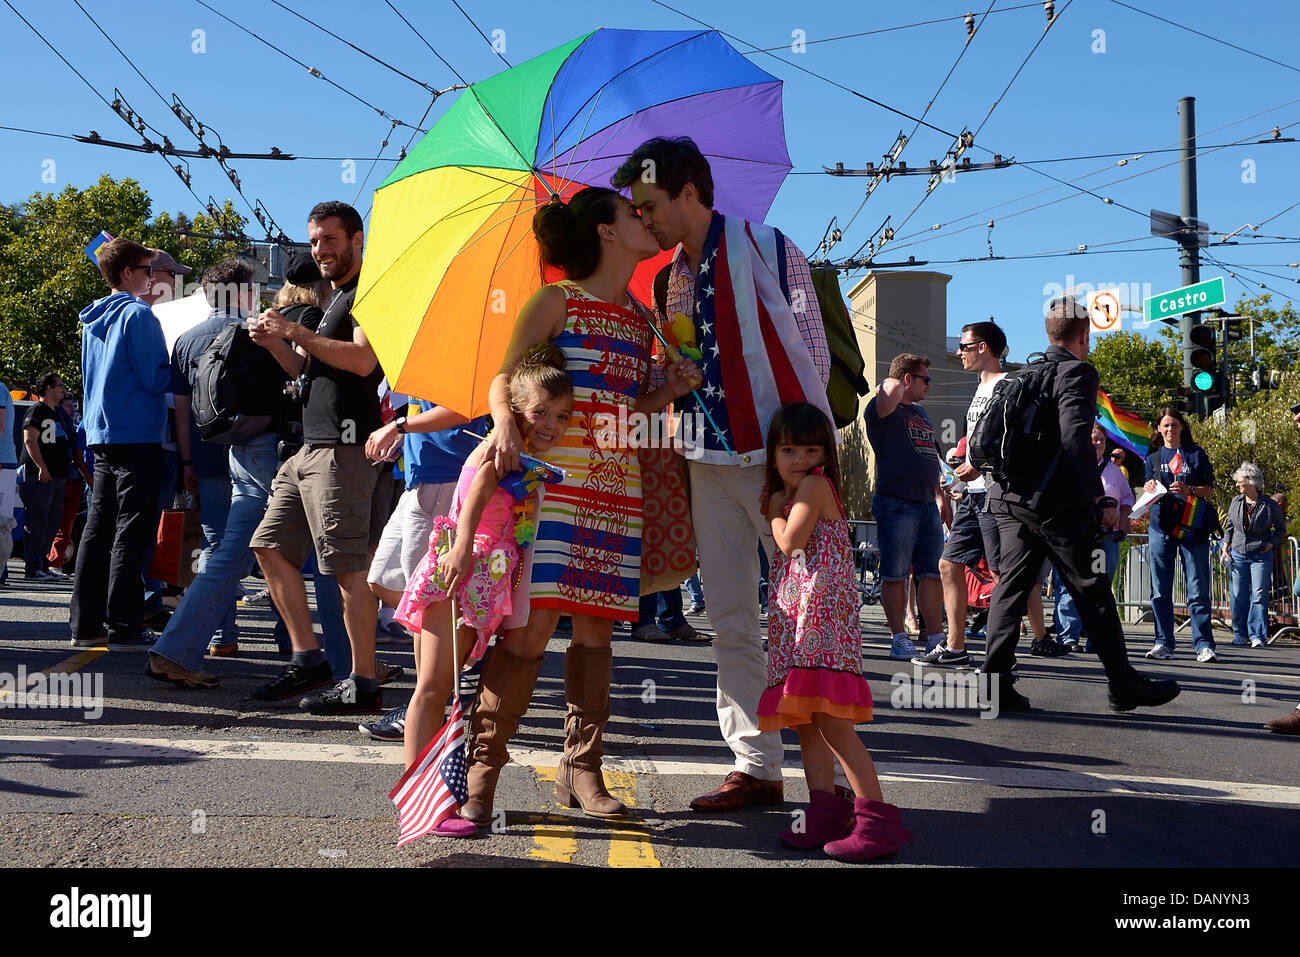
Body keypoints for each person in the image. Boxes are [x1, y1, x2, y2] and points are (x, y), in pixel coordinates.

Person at [615, 137, 834, 812]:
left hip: (776, 465)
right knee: (734, 619)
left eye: (649, 204)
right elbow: (668, 371)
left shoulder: (770, 246)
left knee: (805, 616)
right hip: (705, 462)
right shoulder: (660, 279)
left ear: (688, 192)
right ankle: (756, 765)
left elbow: (813, 352)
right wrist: (662, 379)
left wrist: (798, 458)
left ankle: (832, 774)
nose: (644, 218)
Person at [474, 185, 698, 823]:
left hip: (616, 490)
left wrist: (670, 391)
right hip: (553, 486)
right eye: (633, 214)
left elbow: (628, 413)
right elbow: (505, 374)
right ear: (605, 230)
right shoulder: (555, 300)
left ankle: (582, 770)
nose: (646, 221)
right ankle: (483, 770)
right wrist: (504, 425)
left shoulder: (638, 316)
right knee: (532, 630)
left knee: (597, 633)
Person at [395, 348, 573, 835]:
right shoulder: (503, 442)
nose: (552, 425)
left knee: (443, 688)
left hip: (480, 576)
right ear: (515, 409)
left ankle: (436, 800)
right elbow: (475, 494)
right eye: (540, 413)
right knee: (432, 690)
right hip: (462, 570)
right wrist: (463, 548)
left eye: (562, 416)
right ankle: (421, 801)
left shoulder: (522, 452)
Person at [982, 296, 1179, 713]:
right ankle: (1123, 684)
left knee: (1011, 588)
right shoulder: (1077, 372)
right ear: (1084, 335)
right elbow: (1075, 437)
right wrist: (1099, 496)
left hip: (1009, 498)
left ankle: (994, 686)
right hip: (1056, 506)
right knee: (1094, 588)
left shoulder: (1026, 371)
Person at [247, 201, 386, 714]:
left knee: (347, 569)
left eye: (330, 239)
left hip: (346, 449)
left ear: (356, 239)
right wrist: (275, 343)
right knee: (268, 547)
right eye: (313, 241)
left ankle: (364, 683)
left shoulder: (369, 291)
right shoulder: (332, 298)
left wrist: (297, 333)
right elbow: (303, 372)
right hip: (310, 444)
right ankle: (309, 661)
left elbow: (364, 359)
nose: (320, 250)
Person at [758, 402, 910, 862]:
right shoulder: (801, 488)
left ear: (825, 454)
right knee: (807, 723)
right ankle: (824, 812)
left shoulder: (813, 484)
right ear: (774, 454)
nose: (800, 457)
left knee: (833, 726)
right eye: (788, 449)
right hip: (802, 621)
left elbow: (790, 541)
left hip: (821, 624)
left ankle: (876, 822)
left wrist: (773, 513)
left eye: (810, 448)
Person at [146, 261, 287, 688]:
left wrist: (188, 463)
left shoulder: (186, 342)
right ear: (241, 293)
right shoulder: (257, 335)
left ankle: (222, 637)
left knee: (216, 546)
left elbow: (184, 412)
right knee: (274, 547)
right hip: (253, 450)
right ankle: (293, 640)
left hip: (206, 457)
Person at [360, 399, 486, 742]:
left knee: (424, 603)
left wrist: (399, 426)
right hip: (420, 481)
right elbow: (427, 409)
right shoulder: (430, 356)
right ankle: (462, 669)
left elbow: (464, 408)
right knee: (381, 579)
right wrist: (405, 436)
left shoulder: (459, 350)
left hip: (444, 480)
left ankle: (427, 705)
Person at [70, 239, 170, 649]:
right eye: (147, 271)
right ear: (127, 273)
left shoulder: (94, 319)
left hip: (102, 433)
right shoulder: (138, 315)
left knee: (98, 529)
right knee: (133, 530)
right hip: (138, 432)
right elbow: (154, 378)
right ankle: (125, 622)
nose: (151, 278)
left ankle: (85, 623)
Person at [926, 322, 1007, 667]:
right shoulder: (979, 387)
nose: (959, 352)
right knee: (948, 564)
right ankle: (956, 648)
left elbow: (1007, 440)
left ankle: (1001, 657)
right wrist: (963, 466)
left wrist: (981, 466)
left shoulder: (1006, 386)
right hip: (972, 494)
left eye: (965, 346)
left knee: (1003, 575)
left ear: (984, 347)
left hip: (993, 493)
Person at [864, 353, 950, 661]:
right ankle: (899, 638)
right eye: (924, 379)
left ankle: (936, 638)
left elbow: (930, 458)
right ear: (907, 380)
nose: (929, 384)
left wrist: (940, 497)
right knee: (895, 574)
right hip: (896, 503)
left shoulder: (922, 413)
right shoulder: (881, 409)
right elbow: (887, 393)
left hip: (927, 504)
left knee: (931, 574)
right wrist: (894, 381)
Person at [1142, 407, 1218, 663]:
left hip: (1193, 528)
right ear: (1158, 429)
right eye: (1165, 425)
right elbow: (1147, 490)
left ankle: (1204, 644)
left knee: (1198, 589)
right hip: (1161, 527)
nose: (1170, 429)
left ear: (1182, 427)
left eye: (1174, 424)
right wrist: (1149, 487)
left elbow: (1209, 489)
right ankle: (1163, 642)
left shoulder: (1196, 454)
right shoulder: (1152, 457)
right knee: (1160, 590)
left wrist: (1190, 489)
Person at [1052, 424, 1135, 652]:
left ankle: (1095, 636)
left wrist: (1125, 519)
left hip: (1105, 539)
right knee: (1069, 585)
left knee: (1100, 586)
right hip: (1075, 537)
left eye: (1101, 440)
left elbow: (1127, 499)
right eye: (1092, 439)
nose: (1096, 444)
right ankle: (1068, 636)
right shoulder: (1066, 466)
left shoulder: (1115, 472)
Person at [1220, 462, 1286, 649]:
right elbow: (1229, 527)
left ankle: (1257, 634)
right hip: (1238, 553)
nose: (1237, 485)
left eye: (1240, 482)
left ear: (1251, 482)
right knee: (1239, 594)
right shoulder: (1236, 501)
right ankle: (1240, 633)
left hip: (1260, 555)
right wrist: (1225, 548)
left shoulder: (1270, 505)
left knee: (1259, 595)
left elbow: (1281, 529)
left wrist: (1270, 544)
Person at [18, 373, 71, 581]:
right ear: (48, 388)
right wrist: (42, 467)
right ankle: (33, 567)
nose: (63, 389)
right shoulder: (37, 410)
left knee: (52, 522)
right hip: (38, 476)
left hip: (56, 478)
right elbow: (30, 440)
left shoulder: (57, 413)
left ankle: (43, 563)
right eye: (59, 385)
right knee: (37, 520)